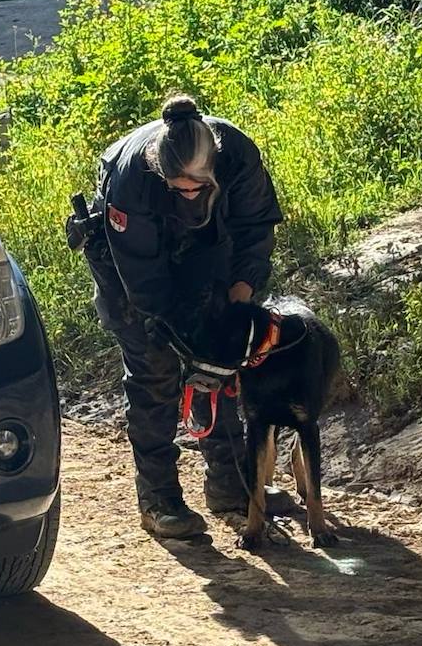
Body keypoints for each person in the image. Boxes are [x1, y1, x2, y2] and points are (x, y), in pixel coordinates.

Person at [75, 94, 283, 540]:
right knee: (154, 370)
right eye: (178, 189)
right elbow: (143, 279)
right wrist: (175, 333)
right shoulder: (132, 179)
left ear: (215, 169)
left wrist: (237, 299)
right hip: (133, 271)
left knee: (219, 365)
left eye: (198, 187)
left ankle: (229, 483)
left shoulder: (239, 156)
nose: (189, 195)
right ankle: (158, 497)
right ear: (160, 173)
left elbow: (255, 228)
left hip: (210, 256)